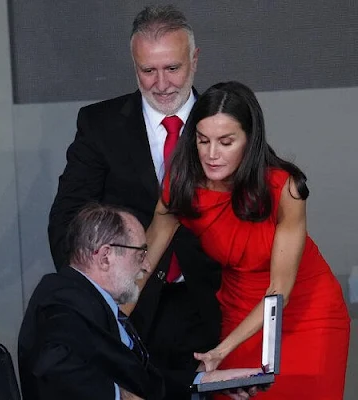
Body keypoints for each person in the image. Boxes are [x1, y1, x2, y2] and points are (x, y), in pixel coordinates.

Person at [47, 6, 221, 397]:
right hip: (132, 310)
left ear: (195, 59)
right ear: (133, 65)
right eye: (148, 71)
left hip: (216, 303)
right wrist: (89, 300)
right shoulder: (99, 124)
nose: (161, 84)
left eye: (172, 68)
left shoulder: (227, 119)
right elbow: (67, 219)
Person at [145, 81, 351, 399]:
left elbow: (279, 291)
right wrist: (103, 321)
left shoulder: (285, 188)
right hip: (240, 309)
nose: (212, 154)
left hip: (307, 310)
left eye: (226, 142)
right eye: (203, 141)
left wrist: (219, 351)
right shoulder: (183, 186)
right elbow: (142, 264)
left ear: (249, 141)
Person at [20, 203, 262, 400]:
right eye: (140, 254)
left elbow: (140, 381)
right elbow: (52, 368)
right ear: (105, 257)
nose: (147, 266)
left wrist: (206, 381)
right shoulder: (62, 303)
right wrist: (121, 395)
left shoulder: (81, 297)